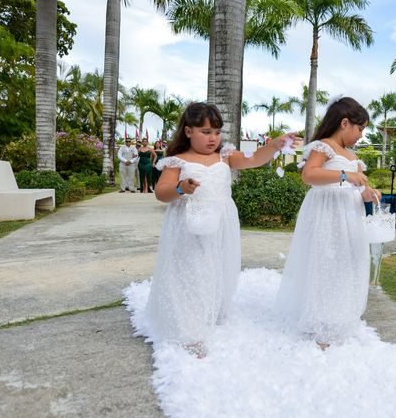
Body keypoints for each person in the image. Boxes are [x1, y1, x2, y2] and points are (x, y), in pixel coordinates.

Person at [145, 102, 299, 358]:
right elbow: (161, 193)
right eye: (205, 132)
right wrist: (181, 188)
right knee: (191, 269)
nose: (213, 138)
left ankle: (211, 309)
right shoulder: (178, 160)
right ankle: (189, 323)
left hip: (221, 221)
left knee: (217, 265)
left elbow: (252, 160)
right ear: (187, 132)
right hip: (189, 223)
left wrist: (273, 146)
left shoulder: (226, 156)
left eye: (216, 132)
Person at [275, 96, 381, 350]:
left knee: (346, 263)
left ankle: (340, 315)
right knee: (326, 264)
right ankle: (321, 322)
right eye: (360, 129)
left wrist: (366, 191)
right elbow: (309, 175)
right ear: (345, 123)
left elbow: (355, 185)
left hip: (348, 216)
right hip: (326, 213)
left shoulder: (352, 155)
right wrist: (346, 175)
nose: (360, 135)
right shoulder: (324, 147)